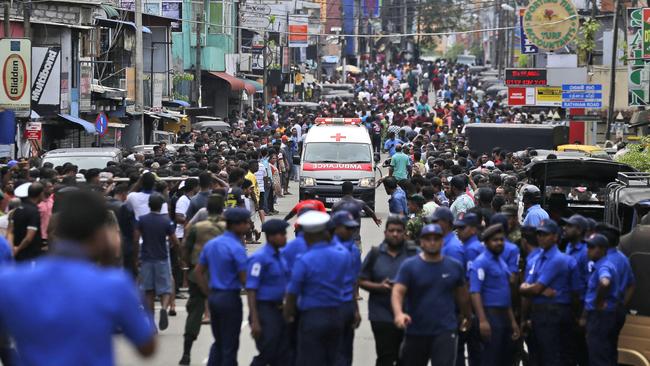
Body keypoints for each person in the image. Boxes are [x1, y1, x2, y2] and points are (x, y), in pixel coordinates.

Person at [0, 189, 156, 364]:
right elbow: (147, 347)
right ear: (101, 235)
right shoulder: (114, 286)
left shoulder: (10, 282)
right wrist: (110, 261)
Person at [392, 224, 472, 366]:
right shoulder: (409, 266)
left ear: (442, 241)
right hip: (415, 330)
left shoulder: (454, 266)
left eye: (436, 238)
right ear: (421, 242)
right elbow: (398, 291)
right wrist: (398, 313)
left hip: (445, 331)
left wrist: (467, 316)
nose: (432, 242)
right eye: (428, 239)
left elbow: (463, 296)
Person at [284, 210, 351, 366]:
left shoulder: (304, 260)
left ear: (307, 235)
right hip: (336, 314)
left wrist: (288, 315)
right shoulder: (343, 255)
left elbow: (292, 292)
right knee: (333, 357)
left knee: (310, 359)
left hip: (312, 316)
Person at [359, 217, 419, 366]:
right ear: (385, 233)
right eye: (391, 230)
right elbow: (360, 280)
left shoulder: (414, 253)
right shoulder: (375, 254)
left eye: (399, 231)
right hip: (381, 315)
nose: (395, 234)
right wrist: (379, 287)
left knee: (406, 357)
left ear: (405, 233)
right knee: (385, 356)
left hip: (409, 314)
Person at [195, 207, 249, 366]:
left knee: (218, 342)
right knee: (230, 345)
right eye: (245, 223)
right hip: (230, 298)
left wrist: (208, 292)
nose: (248, 226)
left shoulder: (212, 244)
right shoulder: (237, 248)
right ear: (235, 225)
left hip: (215, 297)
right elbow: (245, 279)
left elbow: (199, 272)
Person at [519, 219, 578, 366]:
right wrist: (531, 290)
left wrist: (532, 289)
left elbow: (535, 288)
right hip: (539, 312)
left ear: (555, 237)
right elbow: (525, 288)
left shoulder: (558, 259)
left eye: (545, 234)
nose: (540, 237)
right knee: (537, 356)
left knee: (551, 357)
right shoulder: (537, 258)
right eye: (539, 234)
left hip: (554, 313)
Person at [179, 194, 226, 366]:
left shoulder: (197, 227)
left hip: (196, 273)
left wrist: (187, 265)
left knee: (194, 313)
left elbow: (185, 248)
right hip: (221, 275)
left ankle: (186, 352)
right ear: (222, 208)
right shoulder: (226, 226)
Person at [469, 224, 520, 366]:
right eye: (495, 240)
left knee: (504, 359)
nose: (499, 243)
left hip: (504, 317)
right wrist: (483, 320)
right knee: (490, 358)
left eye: (501, 240)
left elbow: (505, 294)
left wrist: (513, 322)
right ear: (486, 243)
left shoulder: (501, 262)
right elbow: (475, 292)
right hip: (490, 316)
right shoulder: (481, 262)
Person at [246, 219, 292, 366]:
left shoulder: (282, 256)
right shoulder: (259, 259)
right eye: (282, 234)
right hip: (264, 310)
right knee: (268, 351)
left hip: (280, 310)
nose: (285, 237)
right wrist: (255, 320)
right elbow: (251, 289)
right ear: (271, 237)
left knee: (284, 353)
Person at [134, 193, 180, 331]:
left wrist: (136, 257)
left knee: (149, 291)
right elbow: (175, 240)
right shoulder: (166, 222)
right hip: (162, 257)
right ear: (161, 206)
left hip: (147, 258)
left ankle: (151, 323)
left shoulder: (142, 220)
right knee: (165, 289)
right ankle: (164, 308)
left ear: (149, 205)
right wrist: (180, 254)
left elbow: (136, 239)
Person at [582, 233, 620, 366]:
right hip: (604, 316)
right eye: (588, 246)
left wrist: (598, 302)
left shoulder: (604, 266)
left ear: (602, 249)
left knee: (598, 357)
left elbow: (604, 282)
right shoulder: (600, 264)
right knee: (603, 354)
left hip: (600, 317)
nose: (588, 250)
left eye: (592, 247)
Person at [330, 211, 362, 366]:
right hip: (328, 305)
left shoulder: (354, 251)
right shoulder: (326, 247)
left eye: (352, 228)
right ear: (336, 228)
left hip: (347, 304)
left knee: (346, 349)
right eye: (347, 228)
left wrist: (356, 309)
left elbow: (355, 281)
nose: (351, 231)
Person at [12, 182, 44, 261]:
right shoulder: (33, 211)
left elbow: (10, 231)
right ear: (40, 194)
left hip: (16, 252)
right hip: (29, 254)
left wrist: (13, 248)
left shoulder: (17, 209)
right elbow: (29, 238)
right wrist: (18, 249)